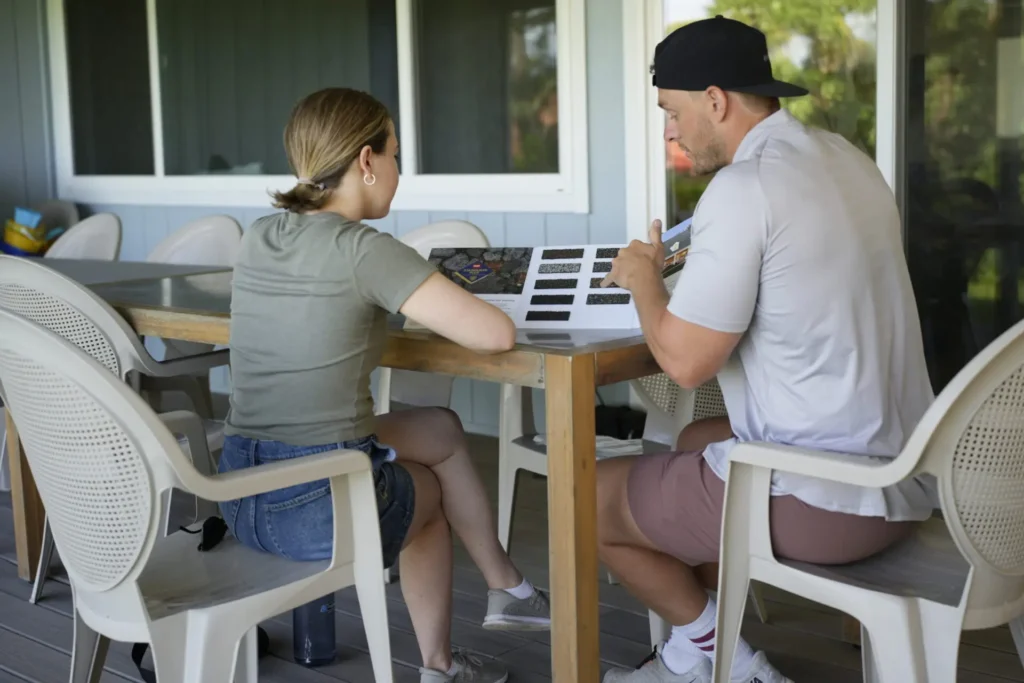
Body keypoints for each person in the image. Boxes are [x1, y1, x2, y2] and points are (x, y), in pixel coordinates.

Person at [598, 16, 936, 683]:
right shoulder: (847, 159)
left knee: (588, 498)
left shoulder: (742, 188)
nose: (670, 131)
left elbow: (687, 362)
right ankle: (697, 651)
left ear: (716, 101)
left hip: (833, 502)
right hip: (907, 471)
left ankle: (727, 656)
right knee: (696, 436)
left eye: (672, 112)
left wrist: (644, 282)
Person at [219, 87, 550, 683]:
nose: (400, 170)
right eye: (396, 154)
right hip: (311, 504)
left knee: (442, 431)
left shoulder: (260, 236)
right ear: (366, 162)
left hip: (241, 490)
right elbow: (496, 335)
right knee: (427, 495)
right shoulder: (365, 250)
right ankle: (440, 667)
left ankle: (506, 583)